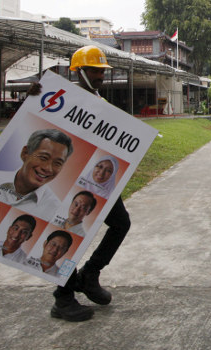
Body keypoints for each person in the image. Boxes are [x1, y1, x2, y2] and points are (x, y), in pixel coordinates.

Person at [45, 45, 131, 323]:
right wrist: (35, 96)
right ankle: (63, 296)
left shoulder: (97, 100)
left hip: (96, 180)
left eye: (102, 71)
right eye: (94, 71)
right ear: (78, 70)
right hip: (67, 178)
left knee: (120, 223)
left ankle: (89, 274)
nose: (100, 76)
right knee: (68, 231)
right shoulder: (62, 97)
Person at [0, 129, 73, 219]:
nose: (48, 168)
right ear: (25, 153)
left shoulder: (55, 209)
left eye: (57, 163)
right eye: (43, 158)